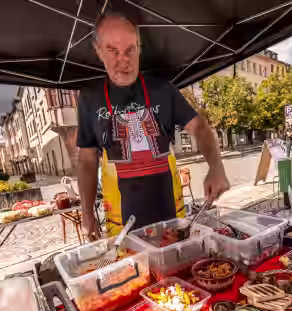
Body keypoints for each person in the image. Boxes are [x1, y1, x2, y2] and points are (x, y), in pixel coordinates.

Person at [76, 13, 230, 240]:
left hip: (171, 217)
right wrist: (87, 213)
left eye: (130, 49)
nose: (123, 60)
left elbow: (199, 127)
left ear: (139, 47)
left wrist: (216, 167)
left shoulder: (162, 89)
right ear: (98, 50)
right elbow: (87, 159)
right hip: (121, 224)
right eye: (112, 50)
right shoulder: (89, 99)